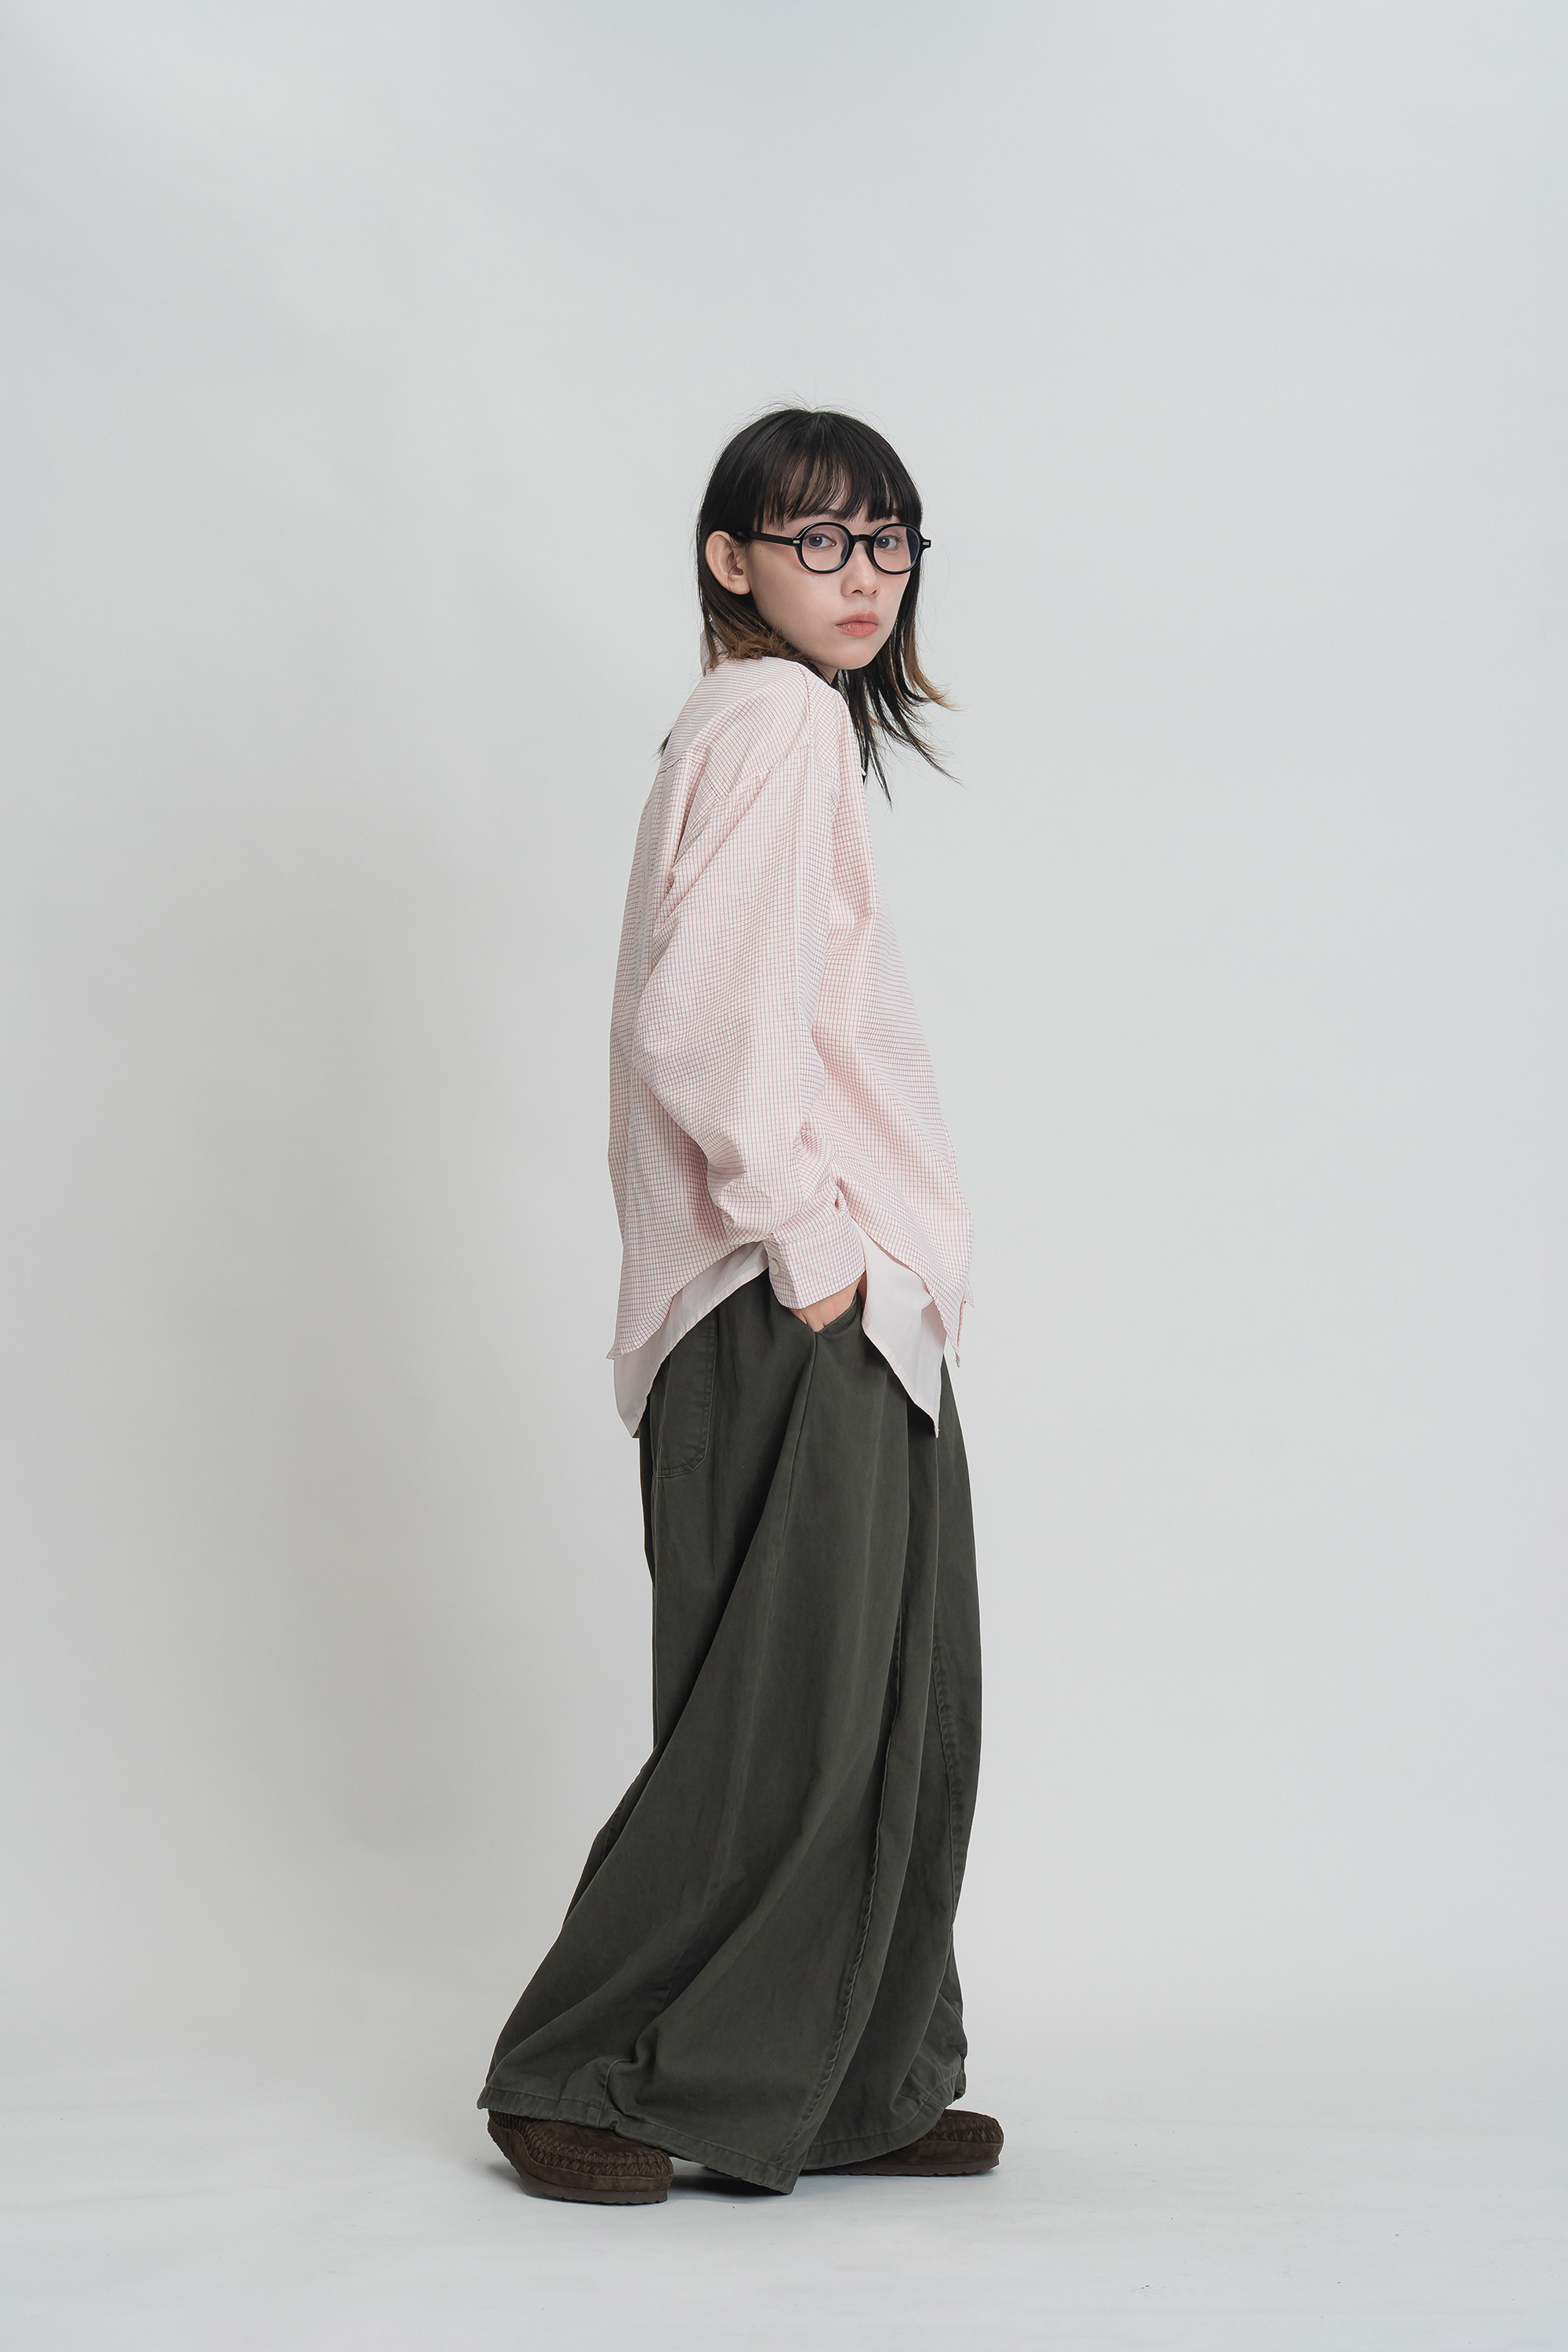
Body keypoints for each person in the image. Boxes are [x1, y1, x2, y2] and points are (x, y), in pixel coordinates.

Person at [479, 408, 998, 2203]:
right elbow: (699, 1025)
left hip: (843, 1300)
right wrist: (813, 1245)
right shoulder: (777, 717)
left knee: (894, 1703)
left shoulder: (748, 721)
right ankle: (576, 2073)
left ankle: (851, 2079)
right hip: (789, 1295)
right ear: (732, 559)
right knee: (781, 1729)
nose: (864, 577)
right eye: (820, 541)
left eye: (889, 542)